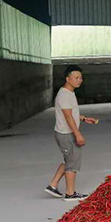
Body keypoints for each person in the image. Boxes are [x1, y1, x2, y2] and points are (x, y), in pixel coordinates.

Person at [45, 65, 97, 202]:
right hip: (66, 134)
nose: (79, 80)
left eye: (81, 78)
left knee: (68, 160)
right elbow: (68, 117)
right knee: (72, 163)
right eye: (76, 78)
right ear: (67, 79)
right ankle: (70, 193)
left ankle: (53, 185)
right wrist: (78, 134)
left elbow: (70, 114)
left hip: (65, 132)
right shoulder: (64, 95)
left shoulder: (69, 93)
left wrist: (83, 118)